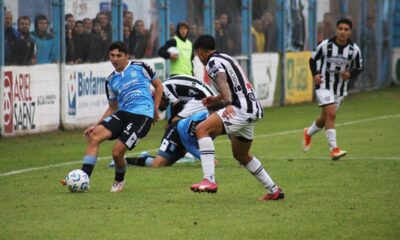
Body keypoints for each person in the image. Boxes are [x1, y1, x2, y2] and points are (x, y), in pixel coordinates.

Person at [190, 35, 284, 201]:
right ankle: (274, 190)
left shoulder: (212, 63)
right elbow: (236, 85)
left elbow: (223, 81)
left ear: (201, 52)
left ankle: (209, 179)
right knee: (241, 155)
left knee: (201, 129)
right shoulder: (226, 57)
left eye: (197, 55)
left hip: (239, 108)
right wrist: (218, 98)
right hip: (251, 109)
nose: (199, 58)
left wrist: (226, 102)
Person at [73, 41, 163, 192]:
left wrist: (155, 109)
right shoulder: (110, 80)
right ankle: (84, 179)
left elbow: (159, 86)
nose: (115, 59)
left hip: (142, 116)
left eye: (119, 55)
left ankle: (119, 180)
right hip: (123, 114)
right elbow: (112, 107)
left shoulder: (141, 67)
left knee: (117, 152)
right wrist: (96, 125)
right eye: (112, 55)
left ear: (127, 56)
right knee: (94, 136)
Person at [303, 18, 363, 160]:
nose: (343, 32)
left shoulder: (354, 50)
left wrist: (350, 74)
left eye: (346, 29)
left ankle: (308, 132)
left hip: (340, 89)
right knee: (331, 113)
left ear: (350, 32)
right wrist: (315, 75)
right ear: (336, 30)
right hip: (323, 85)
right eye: (340, 29)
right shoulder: (325, 45)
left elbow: (359, 67)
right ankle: (334, 149)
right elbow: (312, 60)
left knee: (325, 118)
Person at [124, 111, 213, 167]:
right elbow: (189, 145)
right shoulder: (197, 120)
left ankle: (145, 157)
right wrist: (205, 158)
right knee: (157, 164)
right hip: (175, 132)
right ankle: (125, 161)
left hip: (186, 139)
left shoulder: (216, 123)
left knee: (165, 164)